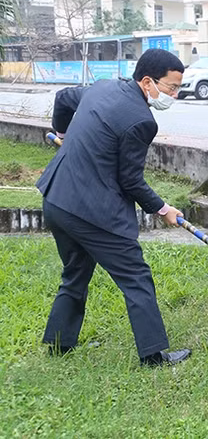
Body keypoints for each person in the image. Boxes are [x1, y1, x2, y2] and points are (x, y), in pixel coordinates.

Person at [36, 48, 192, 366]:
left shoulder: (103, 86)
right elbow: (130, 181)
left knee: (75, 272)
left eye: (178, 88)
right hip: (90, 211)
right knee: (136, 275)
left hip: (56, 200)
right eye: (172, 87)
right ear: (148, 81)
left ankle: (58, 345)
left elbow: (64, 97)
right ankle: (153, 355)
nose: (174, 95)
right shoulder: (142, 122)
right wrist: (163, 209)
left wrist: (61, 133)